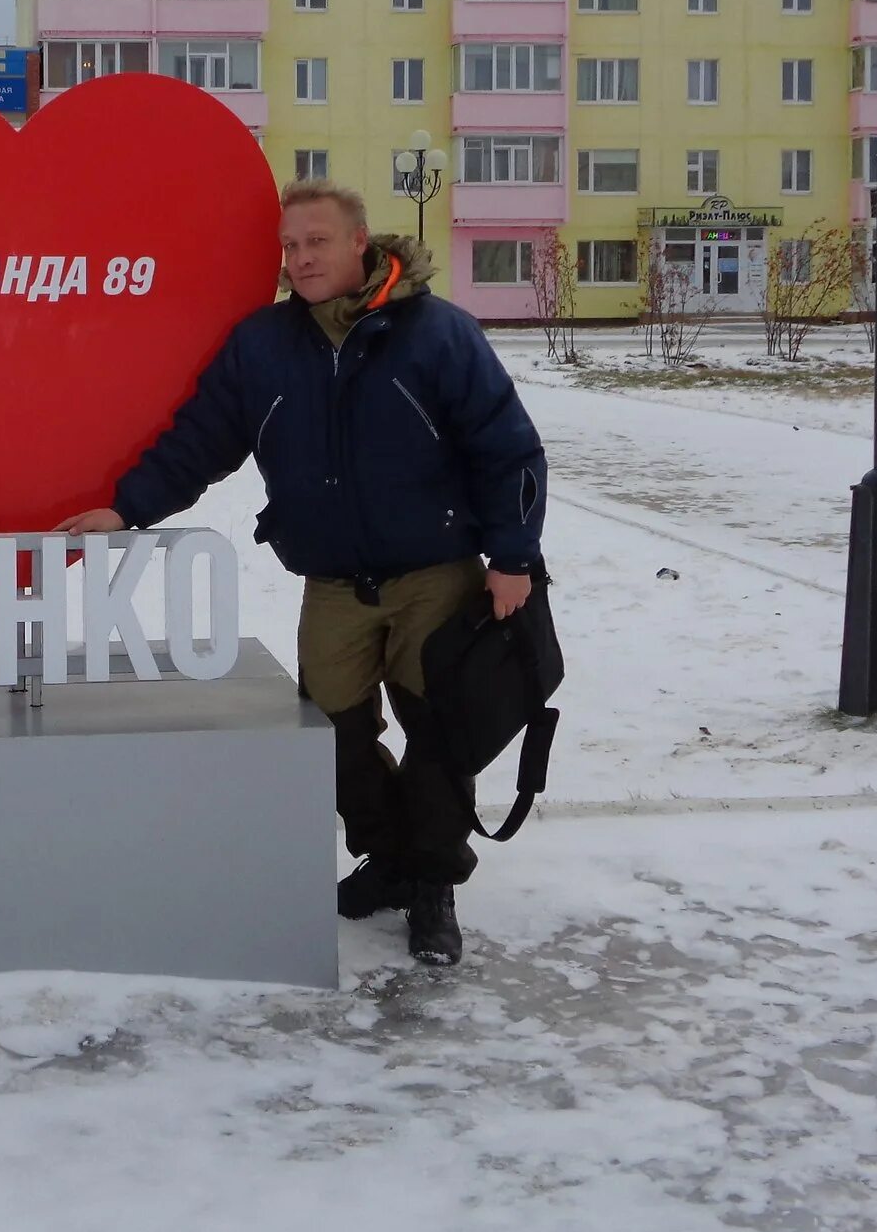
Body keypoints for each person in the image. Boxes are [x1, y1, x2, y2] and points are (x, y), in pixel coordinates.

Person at [58, 178, 547, 966]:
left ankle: (431, 884)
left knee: (438, 738)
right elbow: (202, 439)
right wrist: (129, 508)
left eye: (316, 241)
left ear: (361, 242)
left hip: (437, 576)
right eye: (289, 246)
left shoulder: (437, 333)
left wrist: (513, 556)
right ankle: (388, 855)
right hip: (334, 584)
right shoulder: (263, 345)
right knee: (331, 736)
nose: (300, 258)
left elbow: (507, 447)